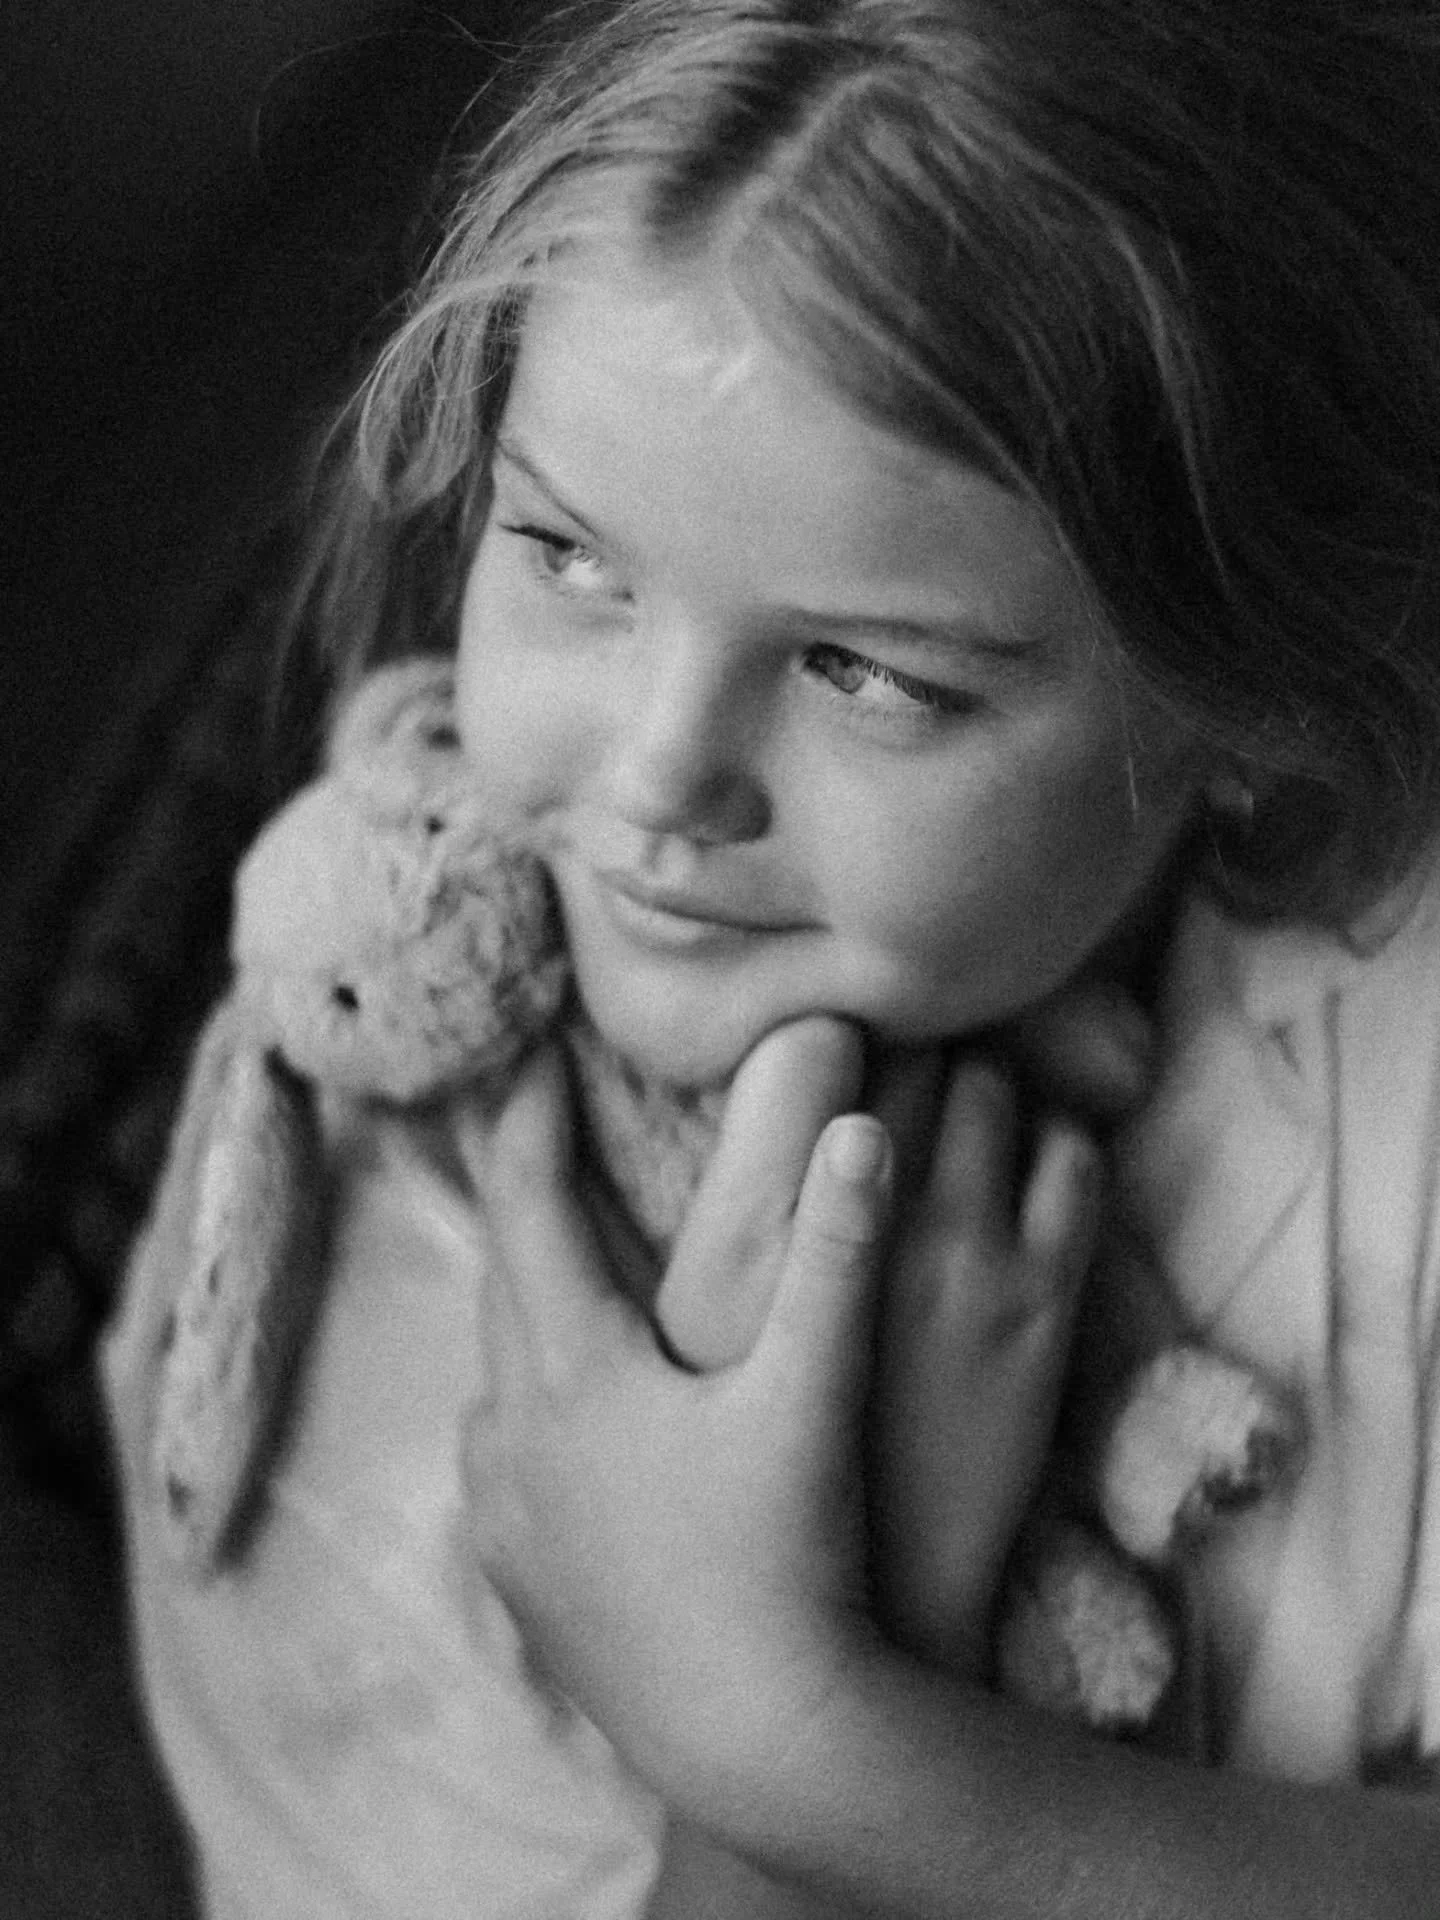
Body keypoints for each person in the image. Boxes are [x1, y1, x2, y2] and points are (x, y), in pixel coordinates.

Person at [101, 0, 1440, 1913]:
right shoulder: (360, 1173)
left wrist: (802, 1741)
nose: (654, 784)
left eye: (868, 674)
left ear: (1255, 718)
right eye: (566, 556)